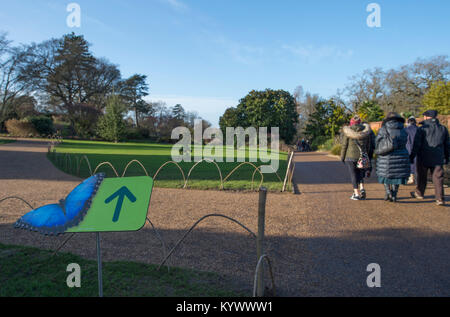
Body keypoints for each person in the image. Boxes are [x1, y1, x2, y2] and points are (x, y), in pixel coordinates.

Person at [409, 110, 449, 206]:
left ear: (427, 117)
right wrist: (447, 157)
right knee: (438, 178)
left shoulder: (422, 129)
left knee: (422, 176)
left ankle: (419, 193)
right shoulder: (443, 129)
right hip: (438, 156)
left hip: (423, 156)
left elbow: (416, 144)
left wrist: (412, 156)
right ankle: (440, 198)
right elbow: (447, 144)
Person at [375, 112, 410, 203]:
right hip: (401, 156)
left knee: (386, 176)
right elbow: (405, 141)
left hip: (386, 157)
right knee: (397, 176)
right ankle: (394, 194)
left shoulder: (383, 129)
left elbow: (377, 142)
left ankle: (388, 192)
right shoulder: (403, 129)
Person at [340, 115, 373, 200]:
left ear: (351, 123)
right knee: (360, 173)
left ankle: (356, 194)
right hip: (362, 155)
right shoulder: (366, 131)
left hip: (350, 157)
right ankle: (362, 188)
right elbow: (369, 145)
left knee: (353, 174)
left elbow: (344, 145)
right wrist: (367, 155)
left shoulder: (348, 132)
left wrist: (342, 157)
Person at [405, 116, 419, 185]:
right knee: (417, 165)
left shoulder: (406, 129)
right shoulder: (419, 129)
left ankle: (411, 178)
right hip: (418, 150)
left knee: (410, 164)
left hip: (408, 148)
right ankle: (417, 180)